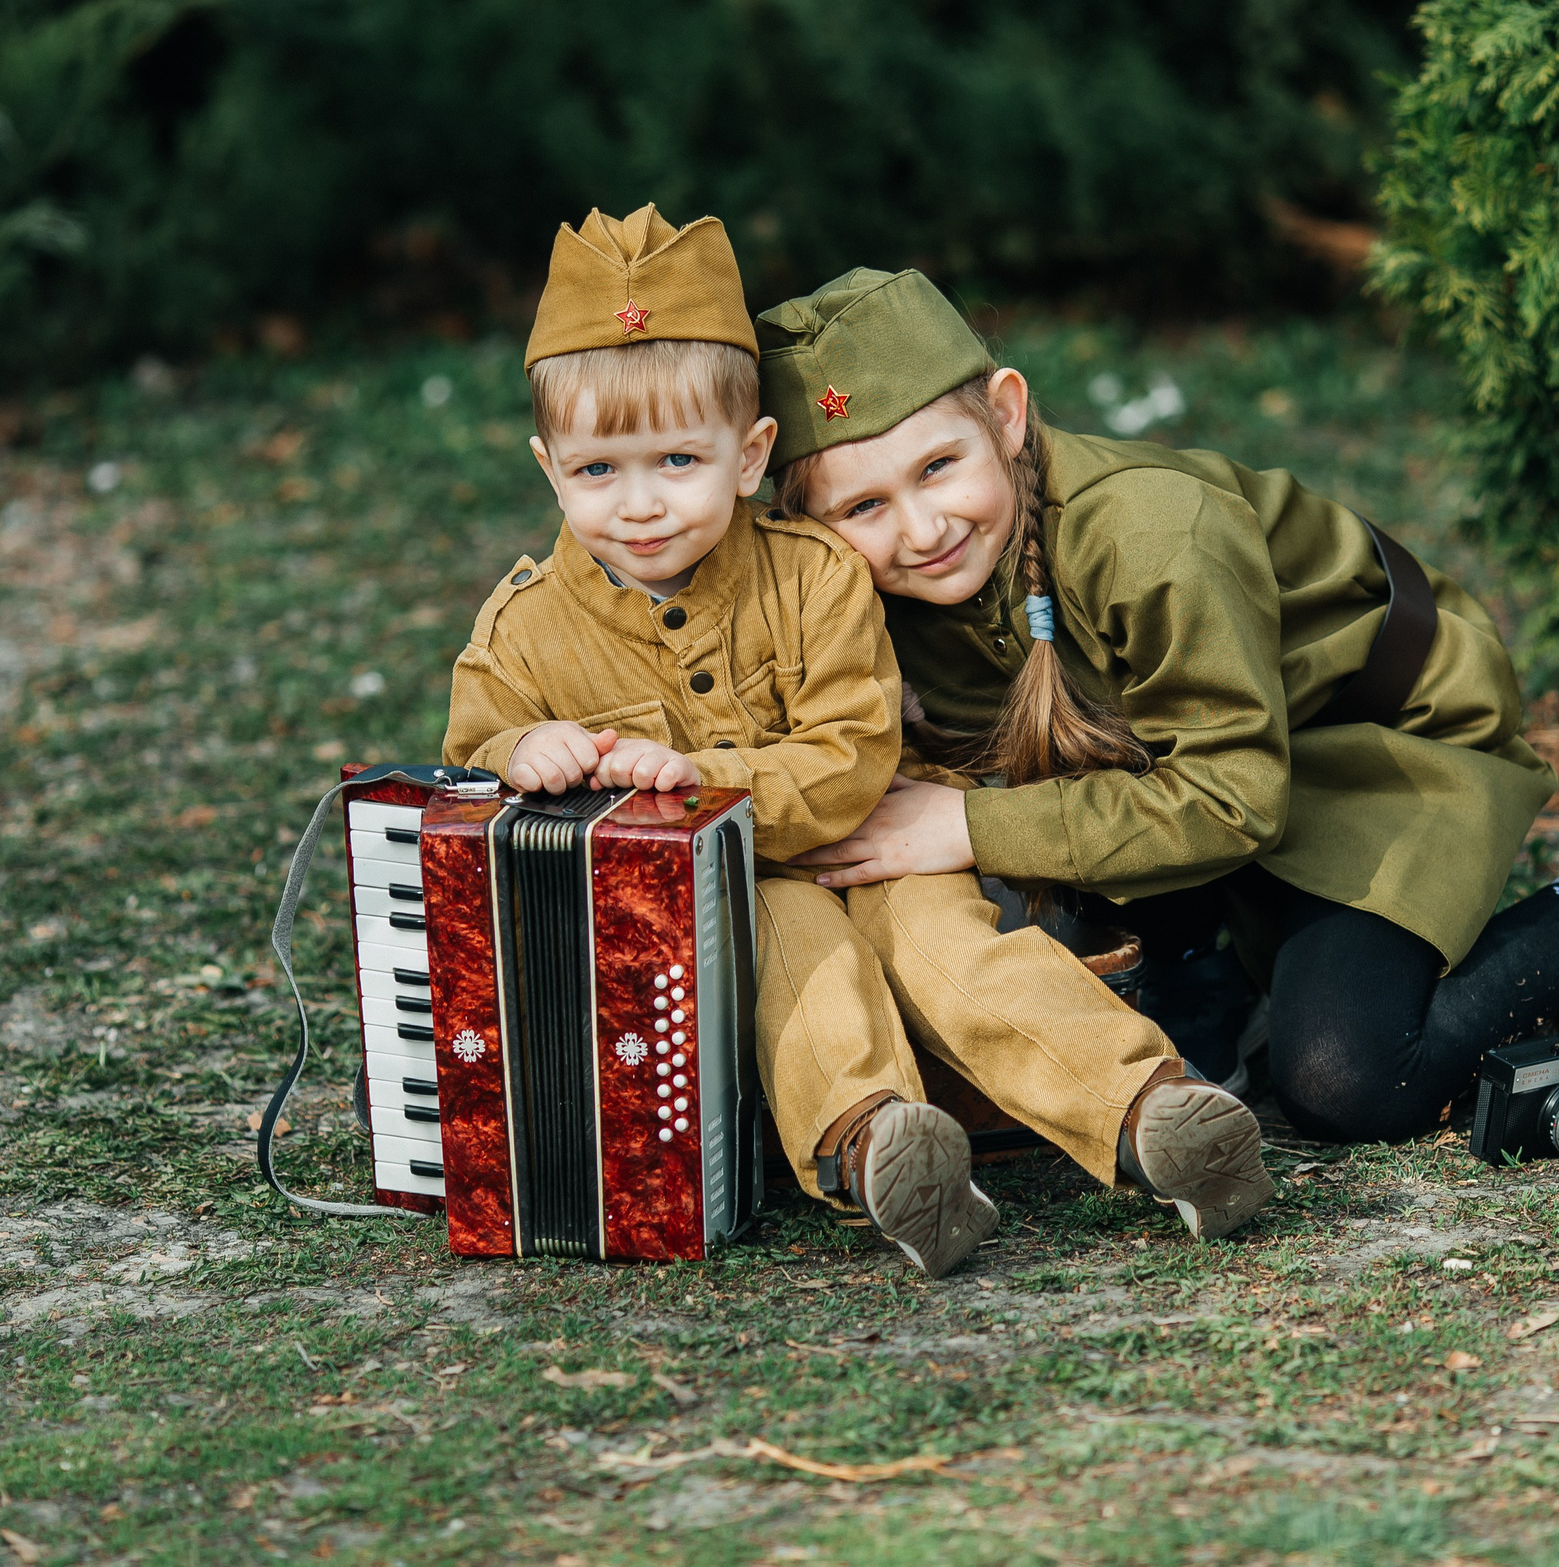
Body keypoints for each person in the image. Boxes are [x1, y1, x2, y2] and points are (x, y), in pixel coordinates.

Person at [442, 208, 1276, 1276]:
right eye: (599, 471)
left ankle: (1154, 1113)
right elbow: (467, 762)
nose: (641, 505)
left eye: (678, 460)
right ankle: (885, 1146)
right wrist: (519, 747)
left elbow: (850, 749)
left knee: (958, 957)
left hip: (878, 832)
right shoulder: (523, 627)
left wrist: (706, 778)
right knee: (803, 974)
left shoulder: (818, 571)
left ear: (749, 458)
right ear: (549, 468)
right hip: (736, 890)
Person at [758, 268, 1559, 1145]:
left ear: (1006, 415)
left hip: (1369, 745)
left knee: (1346, 1077)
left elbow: (1234, 795)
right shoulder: (867, 592)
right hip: (1183, 769)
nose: (922, 529)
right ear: (805, 526)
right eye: (862, 507)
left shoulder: (1151, 532)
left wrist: (970, 823)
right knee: (1132, 1009)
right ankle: (1209, 956)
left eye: (936, 467)